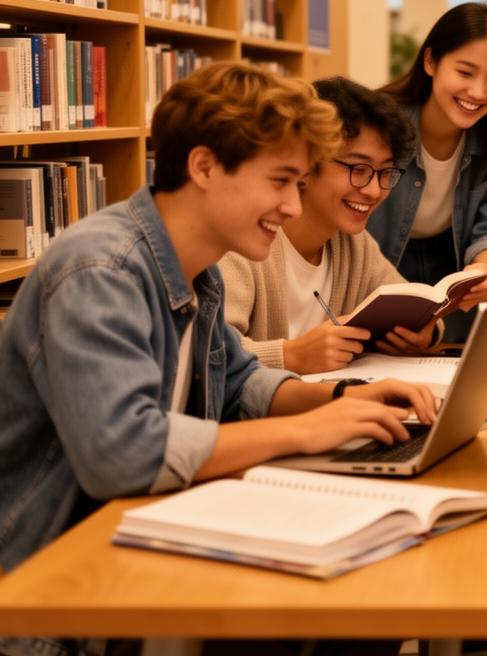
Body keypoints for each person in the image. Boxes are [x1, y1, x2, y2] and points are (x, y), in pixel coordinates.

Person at [0, 62, 436, 592]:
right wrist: (304, 429)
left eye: (299, 184)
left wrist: (346, 399)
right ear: (204, 167)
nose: (293, 206)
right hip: (55, 583)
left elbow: (238, 380)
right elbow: (121, 453)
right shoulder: (101, 270)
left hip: (143, 538)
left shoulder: (199, 272)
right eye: (280, 182)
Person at [221, 76, 445, 375]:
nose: (374, 190)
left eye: (385, 172)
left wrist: (426, 334)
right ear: (307, 161)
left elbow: (417, 304)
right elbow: (211, 354)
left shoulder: (352, 244)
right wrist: (290, 356)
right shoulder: (242, 240)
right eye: (358, 169)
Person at [368, 2, 487, 343]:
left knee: (455, 370)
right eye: (465, 73)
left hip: (455, 270)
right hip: (378, 263)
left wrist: (484, 268)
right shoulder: (380, 121)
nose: (478, 92)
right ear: (430, 61)